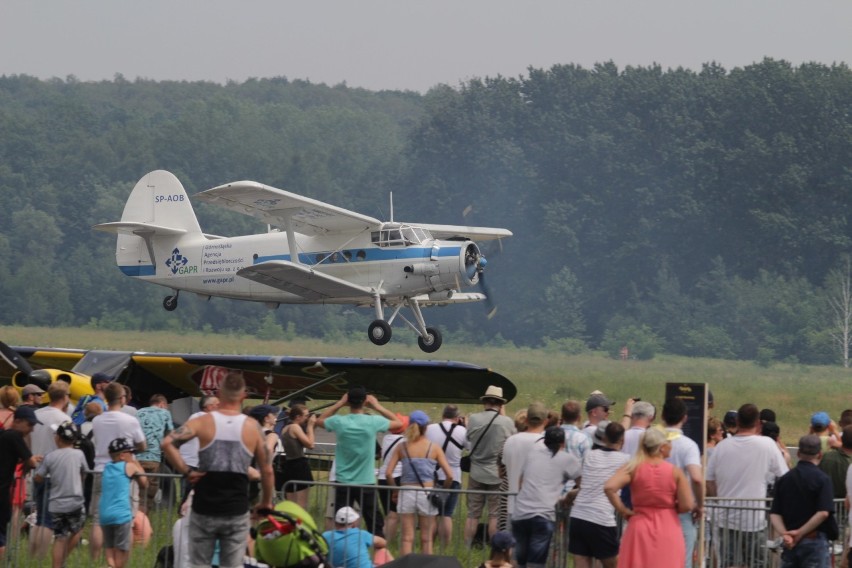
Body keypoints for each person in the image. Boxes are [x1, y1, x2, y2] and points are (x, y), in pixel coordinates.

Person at [161, 371, 274, 568]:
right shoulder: (252, 427)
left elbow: (168, 443)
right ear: (244, 396)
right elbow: (267, 470)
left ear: (219, 393)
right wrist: (265, 503)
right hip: (236, 508)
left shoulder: (202, 421)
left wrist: (187, 471)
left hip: (204, 507)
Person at [706, 403, 789, 568]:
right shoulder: (767, 445)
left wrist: (719, 499)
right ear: (758, 423)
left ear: (737, 421)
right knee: (758, 562)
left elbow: (709, 481)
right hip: (754, 519)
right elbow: (785, 476)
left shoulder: (721, 447)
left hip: (726, 517)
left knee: (729, 563)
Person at [317, 386, 402, 538]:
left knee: (341, 521)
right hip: (365, 481)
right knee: (374, 522)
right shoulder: (372, 421)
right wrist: (376, 406)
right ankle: (378, 555)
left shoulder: (339, 422)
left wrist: (339, 403)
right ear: (365, 402)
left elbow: (320, 420)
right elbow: (397, 423)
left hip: (343, 481)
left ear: (348, 402)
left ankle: (341, 553)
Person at [605, 428, 695, 568]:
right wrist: (672, 507)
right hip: (668, 526)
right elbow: (687, 504)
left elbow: (609, 487)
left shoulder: (633, 467)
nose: (671, 446)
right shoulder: (675, 472)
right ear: (662, 447)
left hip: (639, 525)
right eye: (669, 442)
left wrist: (623, 510)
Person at [90, 381, 146, 562]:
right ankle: (121, 561)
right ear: (122, 398)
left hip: (100, 470)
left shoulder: (97, 420)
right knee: (126, 518)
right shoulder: (130, 420)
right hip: (125, 471)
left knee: (99, 519)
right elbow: (142, 445)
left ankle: (95, 558)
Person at [385, 410, 453, 556]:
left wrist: (395, 491)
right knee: (427, 539)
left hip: (406, 492)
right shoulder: (433, 447)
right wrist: (443, 491)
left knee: (406, 538)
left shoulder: (402, 447)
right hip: (427, 493)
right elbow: (449, 476)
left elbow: (389, 473)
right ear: (426, 427)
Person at [512, 427, 581, 568]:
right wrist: (568, 497)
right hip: (542, 515)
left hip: (520, 513)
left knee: (520, 561)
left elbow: (520, 483)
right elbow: (584, 485)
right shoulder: (567, 459)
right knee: (536, 563)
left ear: (544, 441)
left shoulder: (532, 454)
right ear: (563, 442)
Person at [568, 422, 629, 568]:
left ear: (604, 438)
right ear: (622, 441)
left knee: (582, 561)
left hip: (579, 515)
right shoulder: (626, 460)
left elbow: (588, 483)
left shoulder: (589, 455)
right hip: (601, 518)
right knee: (613, 564)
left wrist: (569, 496)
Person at [770, 435, 834, 568]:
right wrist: (800, 533)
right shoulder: (823, 479)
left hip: (790, 541)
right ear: (820, 455)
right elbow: (823, 512)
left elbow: (775, 513)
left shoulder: (785, 479)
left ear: (798, 453)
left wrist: (785, 534)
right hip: (814, 540)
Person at [464, 385, 516, 545]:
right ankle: (494, 549)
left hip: (476, 472)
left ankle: (466, 547)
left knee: (473, 514)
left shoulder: (474, 419)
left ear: (485, 402)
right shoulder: (506, 422)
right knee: (494, 514)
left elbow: (468, 437)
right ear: (500, 404)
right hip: (496, 473)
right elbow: (512, 439)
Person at [33, 421, 88, 568]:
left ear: (58, 438)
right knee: (78, 530)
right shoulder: (79, 454)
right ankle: (63, 559)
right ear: (74, 440)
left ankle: (56, 565)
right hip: (75, 500)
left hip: (56, 503)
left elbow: (38, 477)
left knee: (60, 537)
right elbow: (85, 472)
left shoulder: (50, 456)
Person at [30, 381, 72, 557]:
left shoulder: (36, 414)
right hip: (54, 473)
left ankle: (31, 556)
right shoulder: (64, 419)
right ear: (65, 397)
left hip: (35, 471)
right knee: (48, 520)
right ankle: (40, 557)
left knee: (38, 517)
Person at [661, 397, 704, 568]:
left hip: (654, 510)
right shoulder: (689, 445)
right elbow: (696, 478)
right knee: (681, 561)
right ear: (684, 418)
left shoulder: (650, 442)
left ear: (663, 416)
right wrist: (699, 505)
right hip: (681, 510)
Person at [0, 406, 42, 560]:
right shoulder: (14, 436)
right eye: (30, 425)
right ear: (17, 421)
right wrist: (32, 460)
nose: (31, 430)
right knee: (1, 535)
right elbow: (30, 462)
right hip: (2, 491)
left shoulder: (3, 435)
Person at [100, 437, 147, 568]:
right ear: (122, 455)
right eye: (130, 453)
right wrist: (136, 464)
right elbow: (144, 483)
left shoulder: (107, 467)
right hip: (121, 515)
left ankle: (110, 565)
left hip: (105, 515)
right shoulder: (129, 466)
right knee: (121, 551)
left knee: (109, 547)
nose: (132, 455)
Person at [425, 404, 467, 547]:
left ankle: (428, 544)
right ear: (457, 418)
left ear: (443, 415)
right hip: (453, 476)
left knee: (432, 513)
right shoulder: (462, 430)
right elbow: (470, 447)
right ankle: (445, 547)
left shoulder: (430, 429)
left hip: (432, 475)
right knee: (446, 514)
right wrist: (465, 426)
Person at [502, 402, 549, 519]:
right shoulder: (547, 444)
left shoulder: (510, 441)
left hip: (513, 506)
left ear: (526, 420)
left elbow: (504, 469)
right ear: (545, 421)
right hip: (539, 509)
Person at [135, 393, 174, 513]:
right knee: (149, 491)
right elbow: (171, 435)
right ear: (162, 404)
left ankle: (134, 515)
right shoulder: (165, 413)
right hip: (153, 457)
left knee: (136, 489)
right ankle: (142, 519)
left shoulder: (139, 412)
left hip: (136, 457)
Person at [177, 394, 219, 498]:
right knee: (188, 494)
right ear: (209, 407)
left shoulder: (199, 417)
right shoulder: (199, 417)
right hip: (192, 462)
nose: (220, 407)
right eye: (217, 405)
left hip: (195, 462)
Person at [322, 506, 390, 568]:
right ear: (354, 523)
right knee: (383, 550)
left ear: (336, 523)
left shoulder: (325, 536)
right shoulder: (361, 534)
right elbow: (383, 542)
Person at [279, 403, 317, 508]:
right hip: (299, 464)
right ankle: (300, 523)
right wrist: (310, 426)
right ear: (298, 417)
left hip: (289, 464)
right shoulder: (295, 427)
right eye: (305, 416)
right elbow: (310, 444)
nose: (307, 418)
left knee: (291, 504)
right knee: (301, 504)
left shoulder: (285, 428)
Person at [378, 413, 408, 542]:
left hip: (382, 478)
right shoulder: (404, 441)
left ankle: (384, 538)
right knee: (393, 514)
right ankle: (386, 542)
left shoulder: (386, 439)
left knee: (389, 513)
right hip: (397, 477)